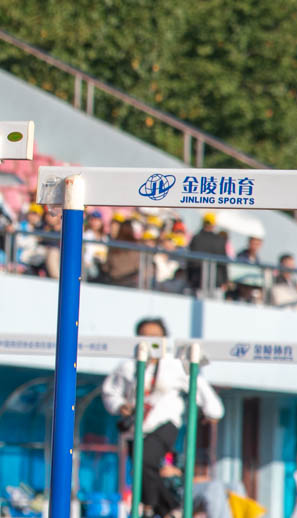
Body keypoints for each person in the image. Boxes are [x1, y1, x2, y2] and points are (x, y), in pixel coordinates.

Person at [101, 318, 224, 518]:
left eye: (155, 337)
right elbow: (110, 393)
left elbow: (200, 386)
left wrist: (213, 412)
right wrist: (120, 406)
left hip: (165, 424)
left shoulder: (174, 365)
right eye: (145, 336)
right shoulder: (127, 368)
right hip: (138, 428)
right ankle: (167, 511)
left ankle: (151, 509)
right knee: (141, 472)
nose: (151, 341)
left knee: (145, 460)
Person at [185, 213, 228, 294]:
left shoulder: (196, 238)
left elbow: (190, 262)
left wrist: (189, 279)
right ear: (214, 225)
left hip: (198, 281)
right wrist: (225, 280)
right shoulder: (219, 240)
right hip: (216, 282)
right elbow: (224, 263)